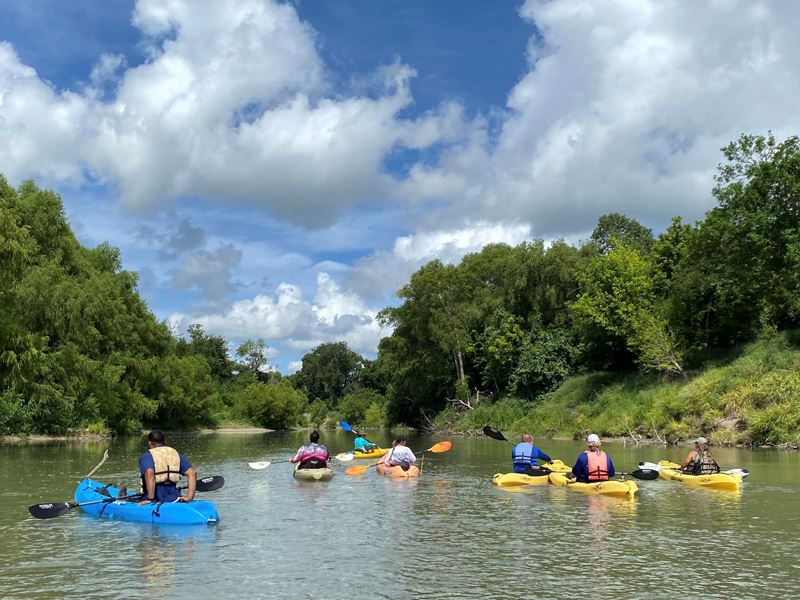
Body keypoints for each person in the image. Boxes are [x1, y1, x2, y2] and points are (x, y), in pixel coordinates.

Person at [138, 430, 196, 504]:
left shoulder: (147, 456)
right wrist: (189, 498)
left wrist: (150, 499)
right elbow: (192, 473)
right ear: (165, 441)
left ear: (149, 443)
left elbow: (150, 473)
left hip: (157, 498)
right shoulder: (176, 454)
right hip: (175, 497)